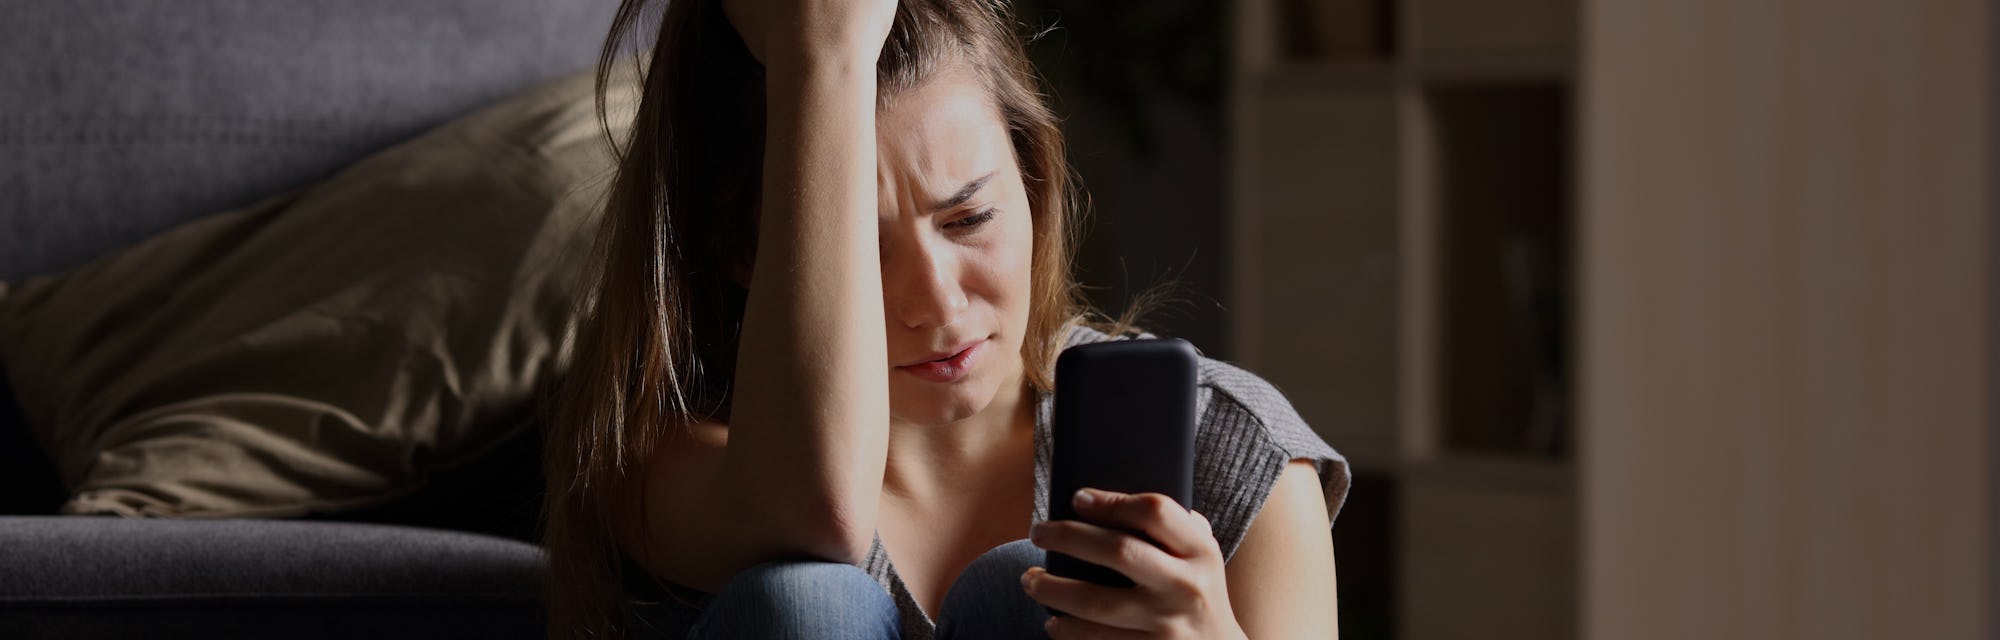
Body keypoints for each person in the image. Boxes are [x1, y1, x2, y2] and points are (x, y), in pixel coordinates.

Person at [542, 0, 1350, 638]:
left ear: (1033, 181)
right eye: (860, 251)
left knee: (1023, 591)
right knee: (808, 604)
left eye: (969, 219)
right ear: (742, 253)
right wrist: (823, 59)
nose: (936, 301)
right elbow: (813, 511)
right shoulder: (664, 450)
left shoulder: (1230, 453)